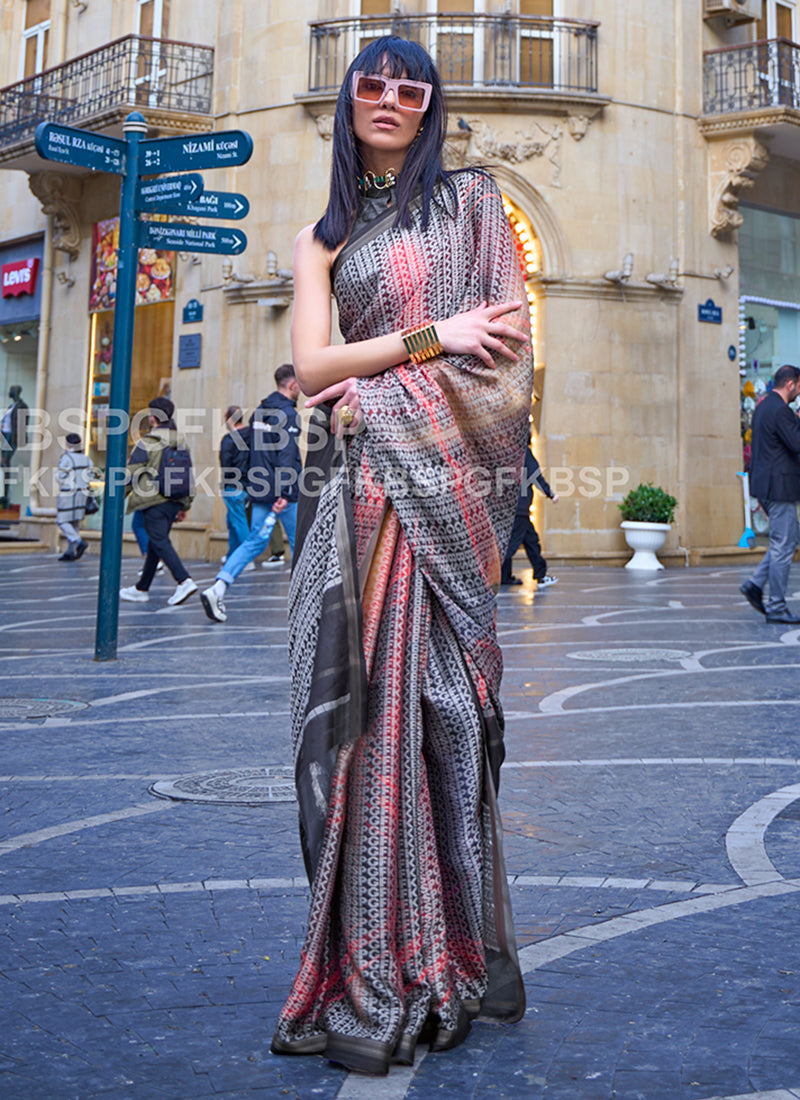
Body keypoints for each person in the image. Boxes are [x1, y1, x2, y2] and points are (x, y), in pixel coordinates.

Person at [269, 37, 533, 1076]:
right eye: (369, 85)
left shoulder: (471, 205)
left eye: (408, 87)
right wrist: (427, 341)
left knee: (446, 719)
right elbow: (307, 367)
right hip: (356, 511)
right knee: (359, 737)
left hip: (440, 499)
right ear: (347, 102)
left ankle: (447, 956)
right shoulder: (320, 239)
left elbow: (504, 363)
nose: (388, 98)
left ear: (430, 105)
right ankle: (371, 959)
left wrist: (364, 383)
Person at [201, 366, 302, 623]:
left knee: (254, 542)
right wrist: (287, 491)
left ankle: (218, 588)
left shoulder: (260, 412)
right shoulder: (287, 414)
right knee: (301, 543)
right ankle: (308, 604)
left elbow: (255, 452)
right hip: (283, 492)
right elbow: (286, 454)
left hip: (261, 489)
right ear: (292, 385)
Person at [119, 396, 197, 607]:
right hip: (174, 500)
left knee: (160, 541)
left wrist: (117, 499)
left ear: (152, 417)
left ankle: (184, 580)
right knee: (155, 544)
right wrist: (185, 504)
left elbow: (130, 474)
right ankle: (141, 588)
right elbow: (189, 475)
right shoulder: (181, 441)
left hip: (152, 500)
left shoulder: (147, 442)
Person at [740, 363, 800, 624]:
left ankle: (755, 585)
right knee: (783, 547)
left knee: (781, 542)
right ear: (791, 384)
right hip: (780, 487)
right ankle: (776, 606)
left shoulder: (764, 406)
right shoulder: (781, 410)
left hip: (766, 485)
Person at [501, 444, 559, 587]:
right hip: (519, 509)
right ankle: (493, 576)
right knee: (510, 546)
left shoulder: (505, 452)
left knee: (530, 540)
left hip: (508, 508)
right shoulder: (522, 451)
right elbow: (535, 475)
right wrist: (550, 493)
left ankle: (537, 575)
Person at [219, 405, 251, 558]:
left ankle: (245, 558)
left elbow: (225, 463)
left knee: (238, 522)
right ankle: (233, 554)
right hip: (249, 485)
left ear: (229, 419)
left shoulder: (228, 440)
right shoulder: (252, 436)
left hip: (233, 486)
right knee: (232, 522)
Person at [55, 432, 92, 560]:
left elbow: (59, 476)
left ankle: (78, 541)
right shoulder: (86, 458)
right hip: (82, 493)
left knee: (62, 520)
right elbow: (90, 474)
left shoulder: (67, 458)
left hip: (68, 492)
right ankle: (70, 551)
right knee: (74, 522)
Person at [1, 384, 29, 508]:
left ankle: (5, 496)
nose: (9, 392)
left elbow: (23, 424)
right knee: (3, 465)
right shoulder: (11, 406)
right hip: (4, 437)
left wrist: (20, 440)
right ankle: (3, 493)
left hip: (12, 437)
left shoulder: (22, 406)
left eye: (11, 390)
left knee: (5, 463)